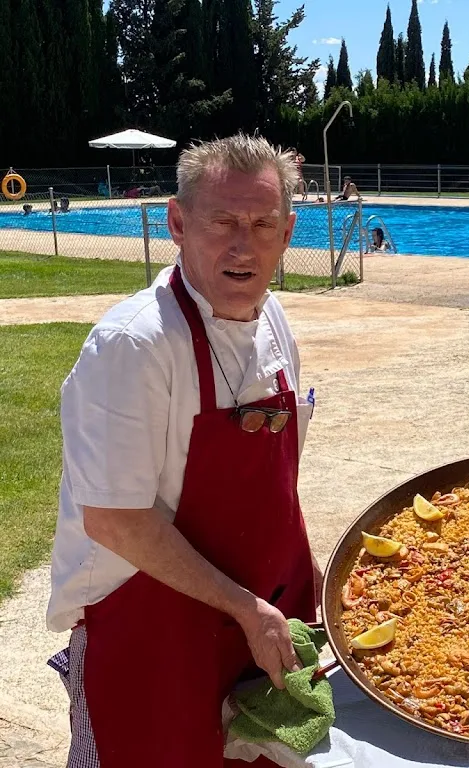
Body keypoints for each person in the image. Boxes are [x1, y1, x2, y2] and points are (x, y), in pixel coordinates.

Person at [46, 133, 320, 767]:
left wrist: (301, 585)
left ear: (287, 233)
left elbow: (277, 486)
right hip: (152, 633)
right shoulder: (133, 345)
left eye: (263, 224)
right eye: (222, 221)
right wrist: (245, 608)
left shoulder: (274, 320)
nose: (243, 245)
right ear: (177, 222)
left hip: (261, 619)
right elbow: (114, 520)